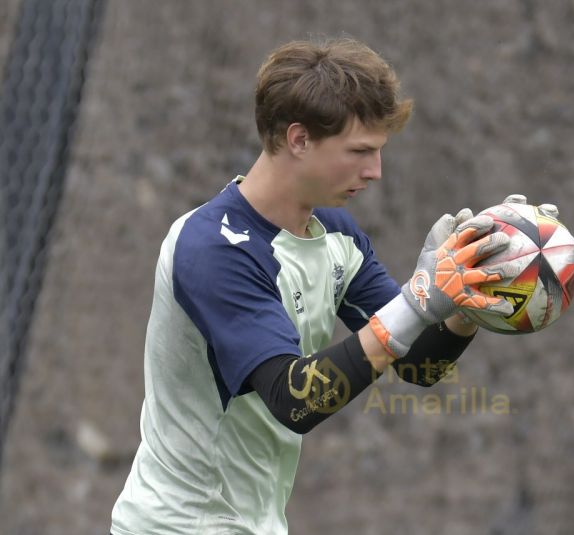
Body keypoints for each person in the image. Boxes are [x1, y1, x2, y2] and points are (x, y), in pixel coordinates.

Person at [110, 37, 522, 534]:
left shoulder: (335, 234)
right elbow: (293, 399)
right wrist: (417, 299)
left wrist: (462, 299)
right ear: (299, 139)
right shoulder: (214, 248)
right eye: (360, 152)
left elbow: (417, 364)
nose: (374, 172)